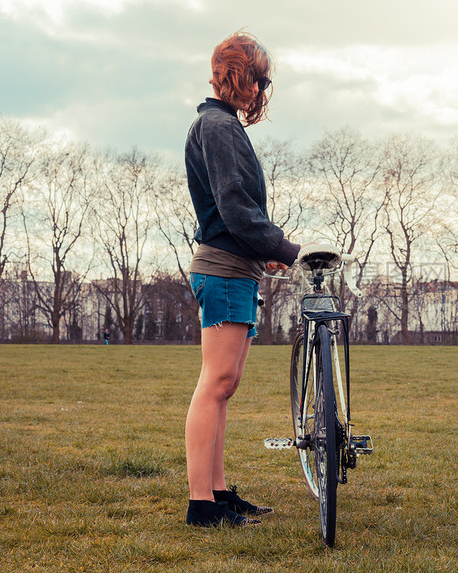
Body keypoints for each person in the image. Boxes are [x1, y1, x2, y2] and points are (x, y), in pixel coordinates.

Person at [183, 32, 301, 528]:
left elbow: (234, 213)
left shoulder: (220, 125)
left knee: (224, 386)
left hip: (236, 269)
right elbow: (234, 209)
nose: (261, 90)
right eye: (258, 79)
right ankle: (201, 506)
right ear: (238, 75)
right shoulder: (217, 126)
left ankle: (218, 493)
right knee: (216, 383)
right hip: (224, 271)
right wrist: (287, 249)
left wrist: (265, 256)